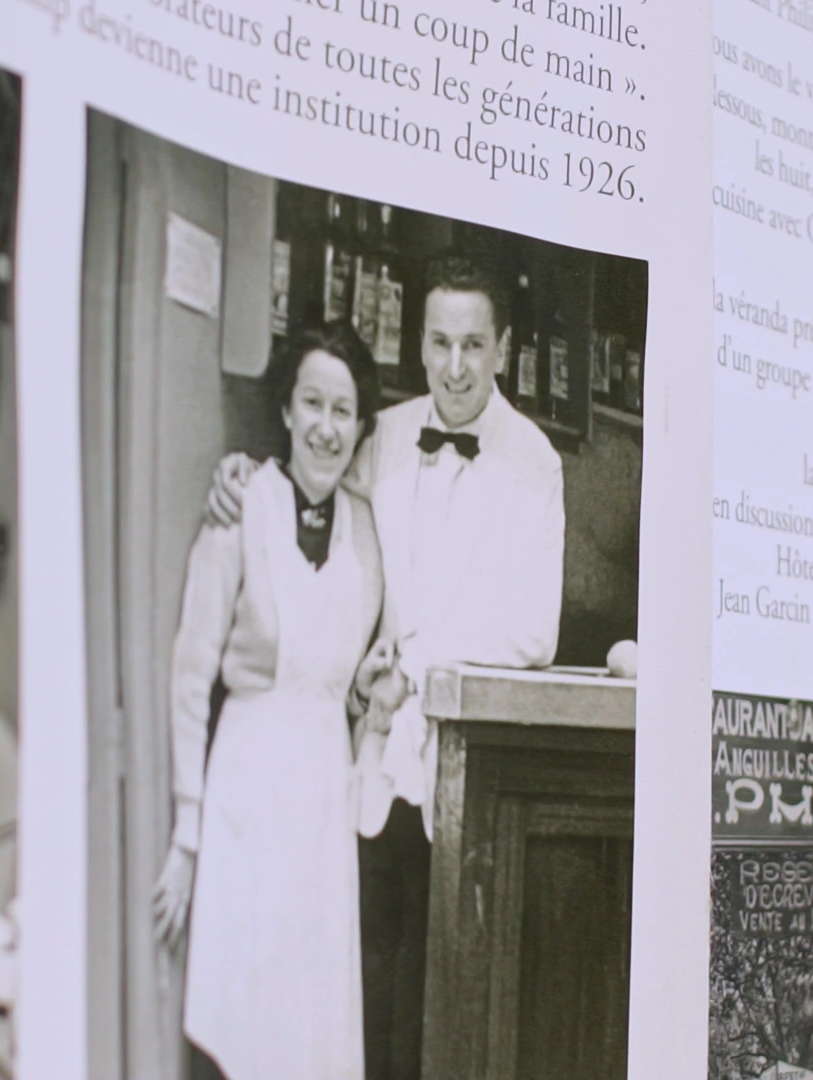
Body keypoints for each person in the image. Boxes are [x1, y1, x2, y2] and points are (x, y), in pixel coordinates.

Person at [205, 251, 565, 1080]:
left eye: (473, 346)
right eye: (439, 343)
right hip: (364, 763)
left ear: (503, 349)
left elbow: (532, 631)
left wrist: (417, 663)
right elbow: (314, 491)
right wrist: (245, 477)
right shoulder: (389, 432)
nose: (454, 367)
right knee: (350, 995)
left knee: (436, 1012)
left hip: (459, 779)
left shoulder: (534, 462)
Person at [154, 321, 395, 1080]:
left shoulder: (369, 530)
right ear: (287, 411)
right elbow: (191, 676)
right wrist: (188, 835)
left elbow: (354, 677)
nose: (327, 426)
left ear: (360, 427)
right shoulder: (242, 504)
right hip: (246, 797)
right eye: (312, 403)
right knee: (243, 1017)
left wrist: (369, 690)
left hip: (323, 803)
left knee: (311, 1027)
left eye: (343, 410)